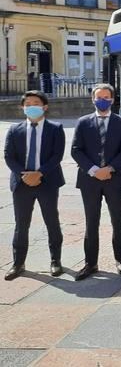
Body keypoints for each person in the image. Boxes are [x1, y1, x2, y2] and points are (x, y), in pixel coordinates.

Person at [71, 84, 121, 281]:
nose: (102, 100)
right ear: (93, 99)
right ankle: (90, 263)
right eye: (99, 97)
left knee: (118, 219)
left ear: (113, 100)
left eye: (106, 97)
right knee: (91, 221)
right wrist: (94, 170)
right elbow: (76, 150)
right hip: (90, 180)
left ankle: (120, 259)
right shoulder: (82, 122)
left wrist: (110, 168)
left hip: (114, 179)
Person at [4, 91, 65, 280]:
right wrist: (24, 175)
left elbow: (57, 155)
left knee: (51, 221)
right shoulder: (15, 130)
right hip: (22, 183)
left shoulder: (55, 128)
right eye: (27, 103)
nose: (31, 106)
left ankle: (56, 261)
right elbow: (8, 156)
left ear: (44, 106)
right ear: (22, 107)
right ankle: (18, 263)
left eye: (36, 103)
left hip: (47, 181)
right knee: (21, 224)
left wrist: (40, 173)